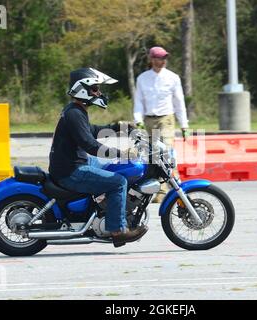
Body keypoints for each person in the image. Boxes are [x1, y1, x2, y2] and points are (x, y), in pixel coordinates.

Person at [48, 67, 147, 247]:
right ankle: (118, 230)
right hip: (72, 170)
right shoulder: (74, 113)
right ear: (82, 89)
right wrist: (121, 153)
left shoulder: (75, 110)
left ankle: (105, 208)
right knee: (119, 182)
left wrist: (119, 127)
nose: (98, 92)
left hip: (74, 162)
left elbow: (91, 131)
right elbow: (90, 145)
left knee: (113, 165)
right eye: (95, 89)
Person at [133, 46, 189, 203]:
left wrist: (184, 125)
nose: (163, 61)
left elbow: (179, 102)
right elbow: (139, 101)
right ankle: (158, 191)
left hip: (166, 119)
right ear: (152, 59)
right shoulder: (142, 78)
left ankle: (177, 191)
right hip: (149, 120)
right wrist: (138, 120)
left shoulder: (173, 77)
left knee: (166, 152)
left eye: (164, 58)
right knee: (152, 155)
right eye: (159, 58)